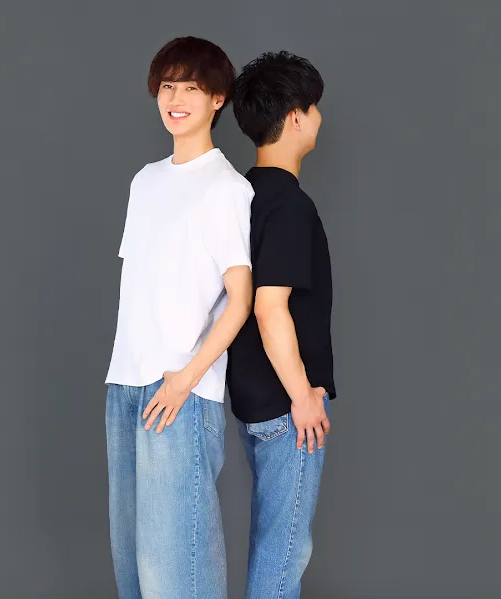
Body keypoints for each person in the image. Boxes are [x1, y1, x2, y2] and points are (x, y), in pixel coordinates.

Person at [105, 36, 254, 599]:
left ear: (217, 99)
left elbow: (240, 300)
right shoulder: (145, 181)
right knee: (133, 567)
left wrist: (185, 379)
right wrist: (129, 379)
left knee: (175, 573)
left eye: (191, 87)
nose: (175, 99)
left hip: (180, 390)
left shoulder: (227, 188)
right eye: (167, 86)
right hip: (125, 384)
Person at [228, 51, 337, 599]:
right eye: (314, 108)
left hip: (249, 395)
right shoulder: (290, 205)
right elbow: (269, 307)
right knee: (284, 552)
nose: (319, 119)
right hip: (286, 404)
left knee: (273, 543)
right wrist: (303, 396)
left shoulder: (238, 196)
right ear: (296, 117)